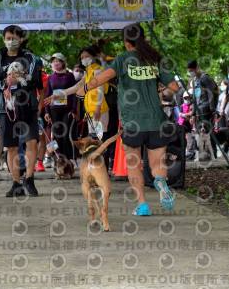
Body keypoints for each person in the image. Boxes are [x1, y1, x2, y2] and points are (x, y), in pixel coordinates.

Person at [76, 23, 180, 216]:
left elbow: (104, 77)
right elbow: (174, 87)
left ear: (125, 42)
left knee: (133, 164)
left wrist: (85, 88)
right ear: (144, 39)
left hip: (132, 122)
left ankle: (143, 205)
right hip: (155, 120)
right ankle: (160, 183)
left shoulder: (122, 59)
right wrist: (159, 93)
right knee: (158, 163)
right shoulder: (155, 59)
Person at [0, 25, 44, 197]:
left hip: (27, 104)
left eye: (15, 38)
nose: (11, 41)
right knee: (11, 146)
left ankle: (29, 179)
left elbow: (33, 79)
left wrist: (17, 82)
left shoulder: (29, 57)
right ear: (3, 39)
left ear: (21, 39)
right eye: (8, 38)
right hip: (5, 107)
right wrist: (5, 84)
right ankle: (16, 183)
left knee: (32, 141)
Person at [44, 53, 78, 161]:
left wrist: (74, 110)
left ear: (63, 62)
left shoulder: (70, 75)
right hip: (54, 110)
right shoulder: (51, 77)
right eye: (53, 61)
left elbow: (75, 93)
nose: (55, 63)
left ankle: (69, 159)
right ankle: (58, 158)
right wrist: (46, 112)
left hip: (67, 110)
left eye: (57, 61)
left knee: (66, 134)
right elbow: (47, 94)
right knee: (56, 135)